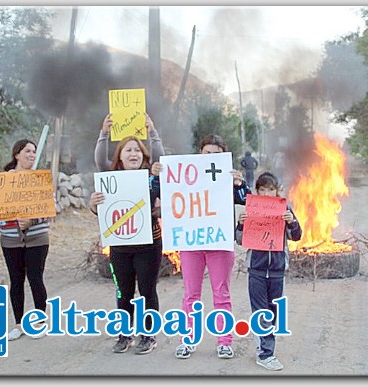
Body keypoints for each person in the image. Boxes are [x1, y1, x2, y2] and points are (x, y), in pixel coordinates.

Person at [152, 134, 251, 360]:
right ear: (199, 154)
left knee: (221, 293)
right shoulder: (185, 176)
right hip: (191, 242)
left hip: (219, 242)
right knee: (191, 295)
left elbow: (247, 200)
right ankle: (187, 340)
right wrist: (157, 176)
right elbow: (159, 193)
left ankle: (224, 341)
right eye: (207, 154)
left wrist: (240, 183)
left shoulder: (227, 178)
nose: (211, 158)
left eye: (217, 155)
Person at [89, 136, 162, 355]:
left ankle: (148, 335)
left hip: (148, 244)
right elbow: (102, 211)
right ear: (119, 157)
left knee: (148, 291)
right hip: (120, 246)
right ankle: (124, 334)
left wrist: (159, 206)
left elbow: (165, 204)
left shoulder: (153, 178)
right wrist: (93, 205)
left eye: (138, 151)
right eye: (128, 150)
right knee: (124, 292)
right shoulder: (110, 181)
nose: (133, 154)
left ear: (144, 156)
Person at [235, 171, 302, 371]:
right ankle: (266, 353)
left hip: (277, 270)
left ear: (277, 191)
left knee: (272, 311)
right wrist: (241, 224)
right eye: (262, 189)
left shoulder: (285, 210)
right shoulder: (250, 210)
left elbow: (296, 236)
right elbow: (239, 240)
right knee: (260, 311)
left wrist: (292, 221)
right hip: (256, 269)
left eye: (270, 190)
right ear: (257, 191)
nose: (266, 193)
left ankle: (262, 343)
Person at [0, 139, 50, 341]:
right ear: (16, 154)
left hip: (37, 238)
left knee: (36, 279)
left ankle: (39, 321)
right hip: (11, 239)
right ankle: (18, 323)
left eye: (34, 151)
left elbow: (49, 208)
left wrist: (32, 220)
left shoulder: (40, 179)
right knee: (16, 280)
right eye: (27, 151)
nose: (31, 155)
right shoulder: (2, 180)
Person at [94, 112, 164, 171]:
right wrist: (104, 133)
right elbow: (101, 162)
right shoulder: (112, 172)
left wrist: (152, 132)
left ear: (143, 155)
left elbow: (159, 160)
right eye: (128, 150)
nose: (133, 154)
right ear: (120, 156)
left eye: (137, 150)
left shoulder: (151, 172)